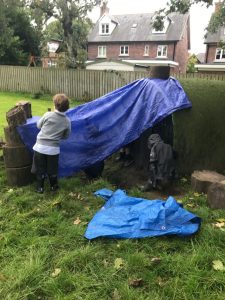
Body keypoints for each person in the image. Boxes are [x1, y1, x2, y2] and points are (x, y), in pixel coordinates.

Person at [32, 94, 71, 193]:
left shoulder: (47, 114)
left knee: (40, 168)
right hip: (53, 150)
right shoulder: (67, 121)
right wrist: (57, 136)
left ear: (55, 105)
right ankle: (54, 188)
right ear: (67, 107)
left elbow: (38, 125)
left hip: (39, 147)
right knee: (52, 170)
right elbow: (66, 136)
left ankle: (40, 188)